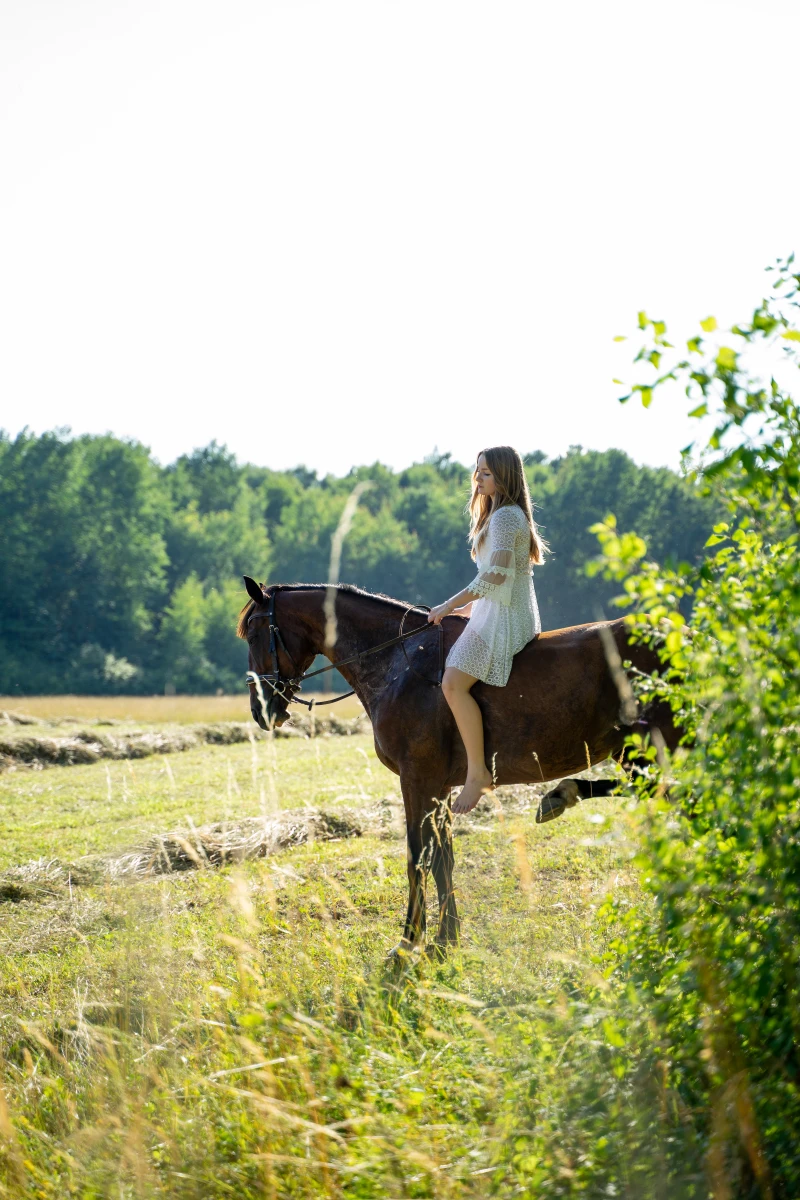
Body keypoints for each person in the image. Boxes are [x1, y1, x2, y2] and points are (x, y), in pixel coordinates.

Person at [428, 445, 545, 813]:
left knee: (452, 682)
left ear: (504, 477)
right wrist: (466, 605)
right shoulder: (500, 515)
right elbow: (492, 579)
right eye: (477, 471)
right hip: (493, 608)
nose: (478, 478)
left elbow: (495, 575)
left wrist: (449, 604)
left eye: (487, 473)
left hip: (506, 616)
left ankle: (477, 772)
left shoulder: (507, 517)